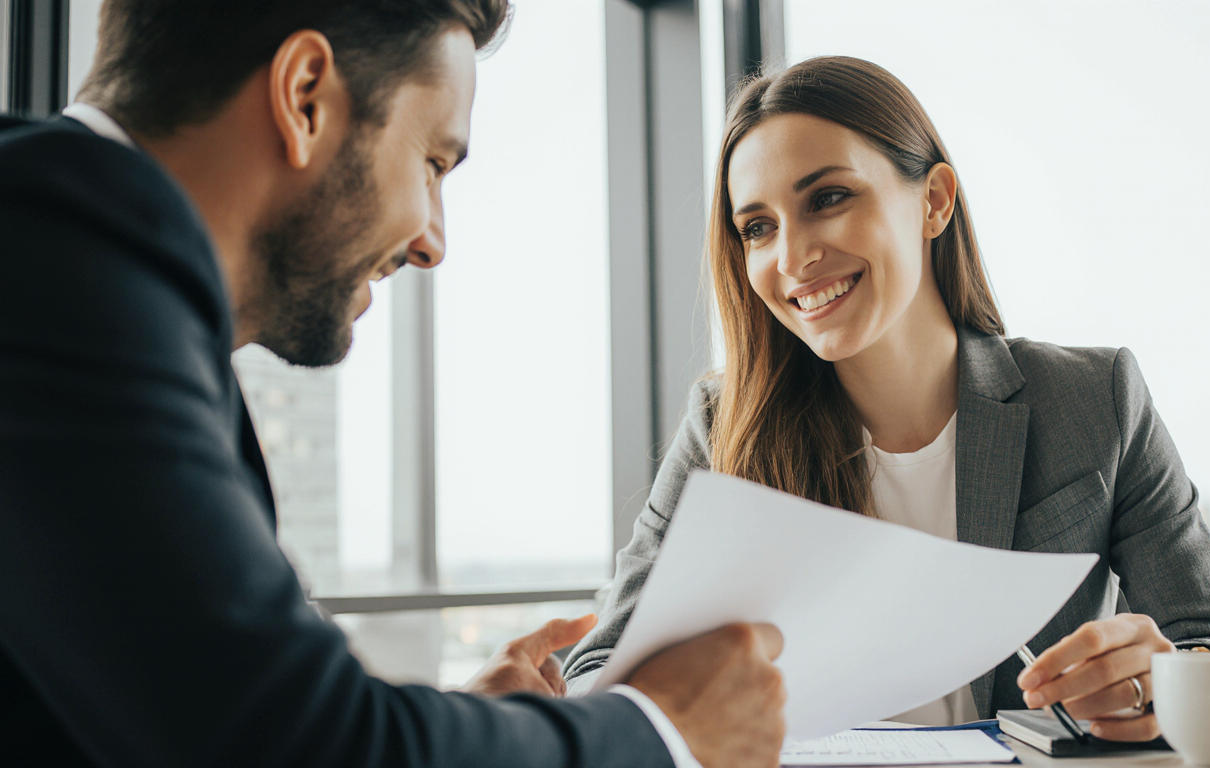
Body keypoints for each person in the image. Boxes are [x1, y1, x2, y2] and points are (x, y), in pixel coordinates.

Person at [0, 1, 787, 766]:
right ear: (305, 95)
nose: (431, 241)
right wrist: (661, 726)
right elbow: (297, 743)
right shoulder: (60, 273)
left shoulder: (88, 268)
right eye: (433, 163)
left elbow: (173, 715)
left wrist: (470, 731)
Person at [563, 55, 1210, 742]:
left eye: (828, 198)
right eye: (758, 227)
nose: (791, 258)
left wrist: (1162, 684)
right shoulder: (724, 427)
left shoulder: (1093, 400)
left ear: (933, 201)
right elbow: (596, 667)